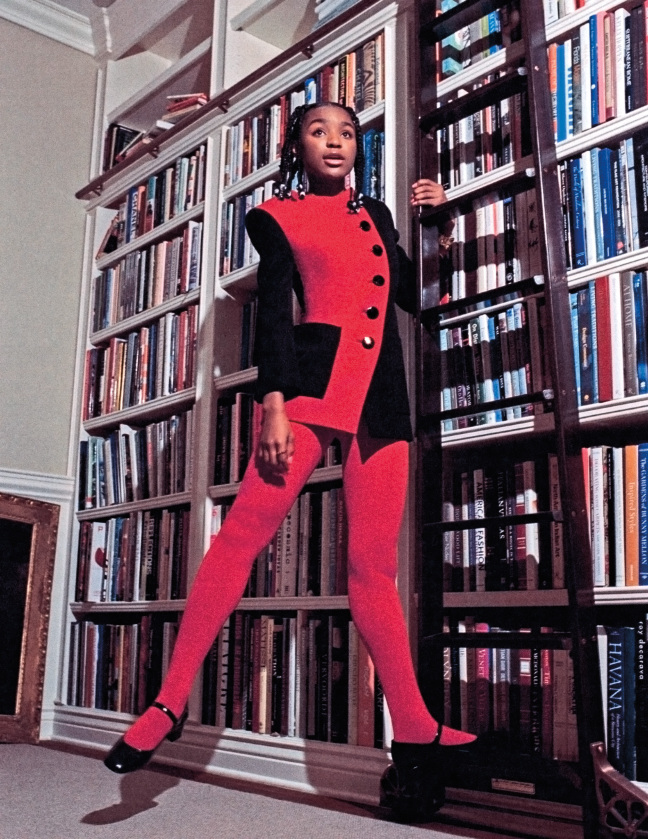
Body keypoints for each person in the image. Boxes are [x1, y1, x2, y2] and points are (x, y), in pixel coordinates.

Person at [104, 102, 475, 793]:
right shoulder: (277, 216)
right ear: (296, 146)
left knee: (373, 570)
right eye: (318, 132)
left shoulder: (380, 218)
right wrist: (272, 403)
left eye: (347, 134)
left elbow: (417, 299)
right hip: (306, 391)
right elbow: (273, 312)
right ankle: (169, 700)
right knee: (240, 538)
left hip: (381, 401)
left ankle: (417, 723)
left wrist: (443, 223)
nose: (335, 143)